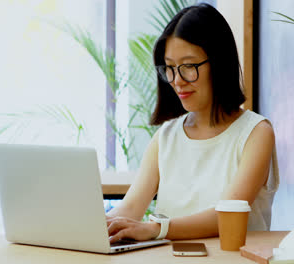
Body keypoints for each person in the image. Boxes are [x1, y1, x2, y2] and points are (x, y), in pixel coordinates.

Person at [106, 3, 279, 243]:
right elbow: (130, 208)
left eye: (188, 67)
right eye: (170, 68)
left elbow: (227, 215)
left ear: (218, 63)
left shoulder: (256, 133)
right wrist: (96, 226)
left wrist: (156, 229)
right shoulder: (165, 137)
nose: (177, 80)